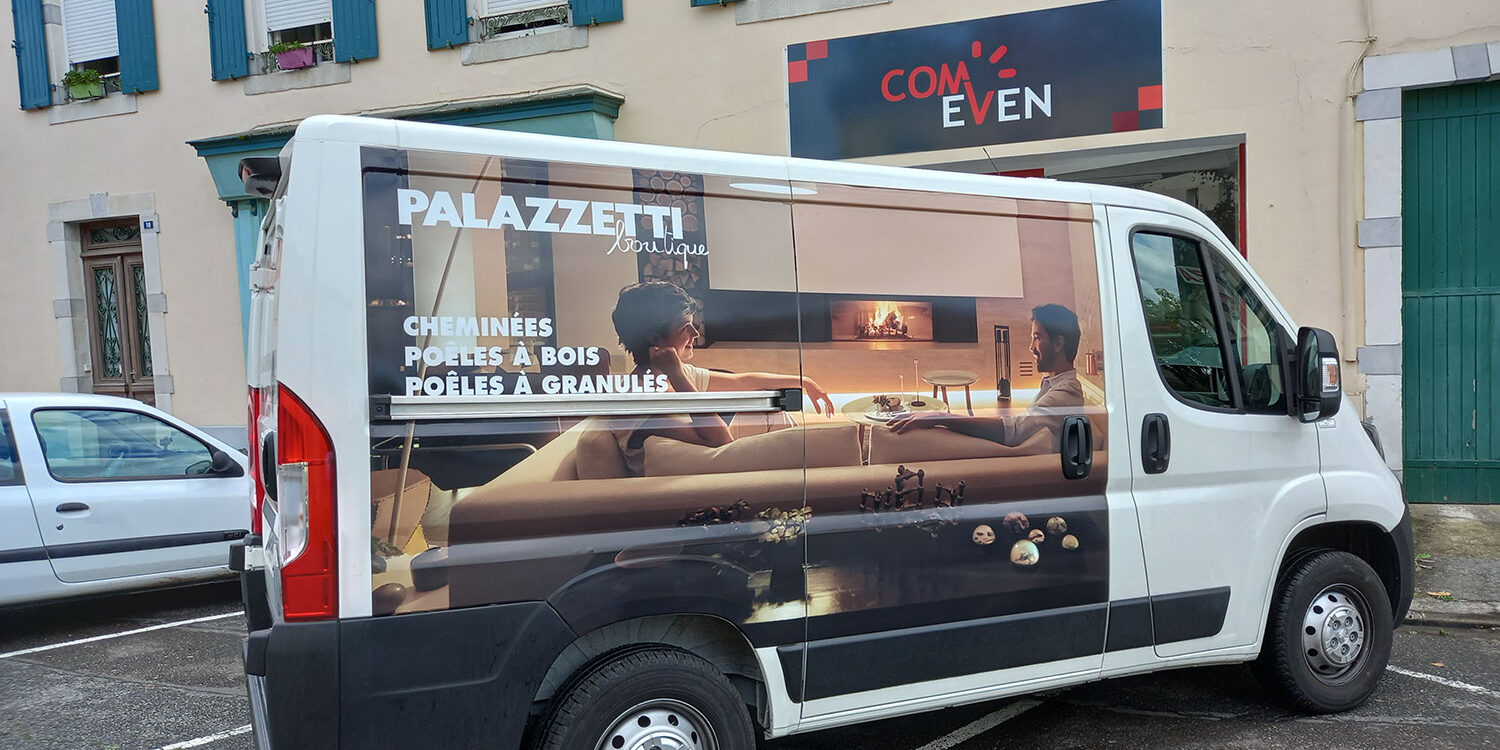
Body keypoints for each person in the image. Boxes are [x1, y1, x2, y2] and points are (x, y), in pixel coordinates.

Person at [610, 282, 834, 473]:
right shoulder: (640, 399)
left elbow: (743, 382)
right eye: (685, 327)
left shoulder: (665, 377)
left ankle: (806, 472)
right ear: (654, 338)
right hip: (697, 484)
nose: (696, 333)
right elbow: (720, 441)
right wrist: (677, 375)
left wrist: (804, 381)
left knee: (769, 409)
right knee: (778, 421)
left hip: (707, 467)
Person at [888, 303, 1083, 448]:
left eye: (1037, 337)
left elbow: (1013, 431)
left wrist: (941, 417)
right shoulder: (1053, 385)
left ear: (1059, 344)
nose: (1031, 347)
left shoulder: (1065, 394)